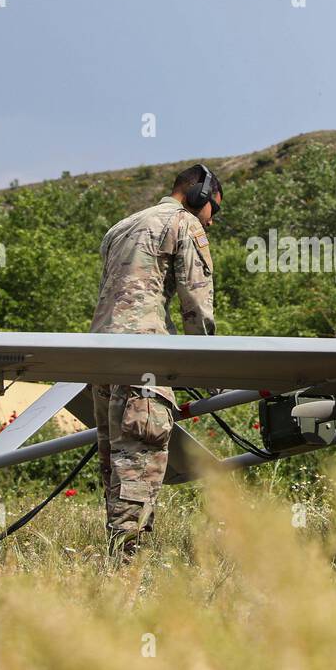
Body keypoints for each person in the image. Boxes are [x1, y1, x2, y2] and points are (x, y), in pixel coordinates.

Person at [89, 164, 220, 558]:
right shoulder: (184, 223)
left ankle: (116, 556)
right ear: (198, 195)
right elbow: (196, 303)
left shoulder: (121, 227)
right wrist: (210, 371)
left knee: (116, 466)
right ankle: (128, 565)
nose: (212, 220)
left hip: (100, 358)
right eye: (214, 208)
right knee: (139, 462)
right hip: (143, 359)